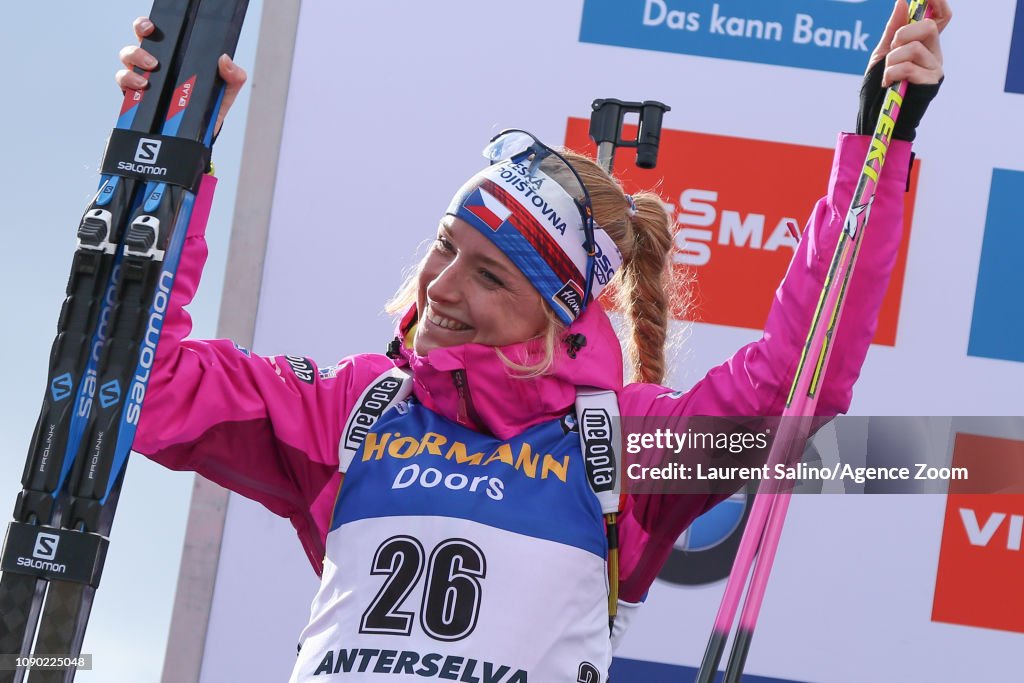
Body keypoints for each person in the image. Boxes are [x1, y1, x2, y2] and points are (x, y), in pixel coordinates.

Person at [117, 1, 951, 680]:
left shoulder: (620, 447)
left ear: (557, 313)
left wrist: (879, 148)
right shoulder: (357, 406)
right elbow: (137, 387)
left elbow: (792, 384)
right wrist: (164, 159)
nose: (441, 286)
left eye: (490, 276)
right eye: (447, 246)